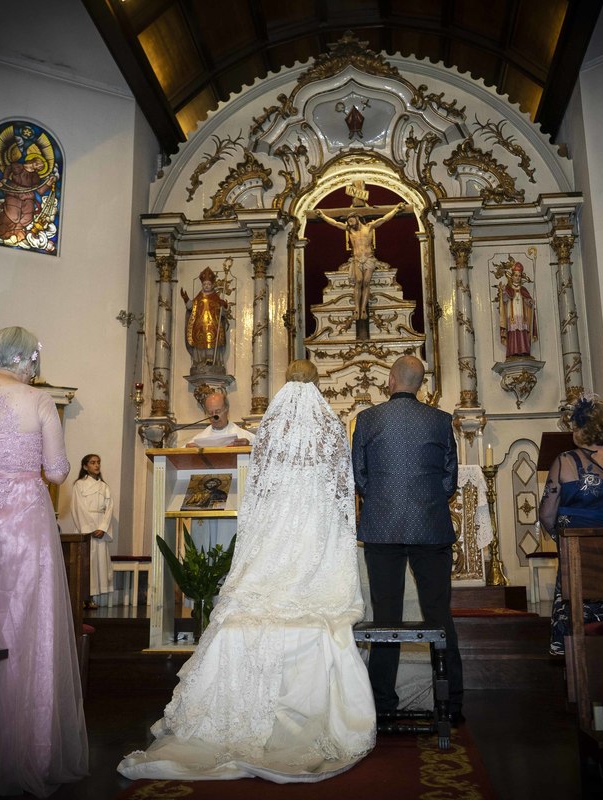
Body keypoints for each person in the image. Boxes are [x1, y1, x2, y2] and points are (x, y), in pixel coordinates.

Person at [119, 359, 376, 782]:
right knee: (308, 578)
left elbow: (259, 491)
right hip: (314, 524)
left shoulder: (272, 430)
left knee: (265, 583)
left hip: (278, 525)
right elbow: (339, 490)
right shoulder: (330, 427)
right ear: (316, 386)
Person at [0, 327, 88, 797]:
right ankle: (26, 752)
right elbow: (58, 471)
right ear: (26, 360)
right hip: (22, 521)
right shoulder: (37, 401)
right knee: (26, 629)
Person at [351, 355, 463, 723]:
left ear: (390, 380)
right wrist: (427, 504)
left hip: (382, 527)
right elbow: (450, 479)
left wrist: (383, 502)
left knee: (386, 616)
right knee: (438, 615)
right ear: (420, 384)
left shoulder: (367, 420)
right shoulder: (441, 420)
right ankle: (452, 703)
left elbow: (360, 477)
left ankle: (383, 701)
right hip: (430, 526)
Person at [540, 394, 603, 656]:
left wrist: (559, 537)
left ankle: (580, 676)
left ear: (582, 429)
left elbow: (548, 514)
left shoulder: (566, 462)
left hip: (580, 559)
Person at [315, 202, 406, 321]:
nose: (350, 224)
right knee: (358, 281)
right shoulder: (350, 230)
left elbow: (384, 219)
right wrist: (322, 216)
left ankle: (363, 308)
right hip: (357, 260)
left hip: (368, 259)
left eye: (352, 221)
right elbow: (335, 224)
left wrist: (395, 210)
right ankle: (356, 308)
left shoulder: (369, 227)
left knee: (366, 281)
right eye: (349, 222)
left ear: (357, 219)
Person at [71, 453, 113, 610]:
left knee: (98, 563)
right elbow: (78, 507)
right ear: (85, 466)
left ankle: (92, 598)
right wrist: (89, 527)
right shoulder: (79, 485)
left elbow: (109, 509)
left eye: (98, 463)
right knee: (85, 562)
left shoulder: (104, 487)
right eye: (93, 462)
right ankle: (82, 597)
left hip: (100, 526)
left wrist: (102, 527)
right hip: (86, 527)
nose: (96, 465)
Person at [181, 265, 230, 371]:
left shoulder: (216, 298)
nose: (206, 286)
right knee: (199, 344)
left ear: (212, 285)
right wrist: (186, 299)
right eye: (204, 284)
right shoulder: (199, 297)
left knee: (212, 344)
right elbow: (191, 307)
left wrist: (224, 306)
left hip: (213, 326)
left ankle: (213, 362)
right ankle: (199, 362)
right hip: (200, 326)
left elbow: (223, 313)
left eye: (208, 284)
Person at [185, 389, 254, 447]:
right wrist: (187, 451)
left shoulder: (243, 436)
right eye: (210, 413)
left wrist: (249, 447)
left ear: (226, 410)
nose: (214, 416)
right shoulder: (199, 439)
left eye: (218, 411)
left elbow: (262, 451)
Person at [498, 261, 537, 358]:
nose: (517, 277)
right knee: (513, 331)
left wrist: (530, 302)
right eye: (516, 275)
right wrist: (503, 293)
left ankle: (524, 350)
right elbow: (505, 301)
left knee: (522, 331)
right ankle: (513, 351)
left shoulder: (523, 290)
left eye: (519, 276)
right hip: (512, 315)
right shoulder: (508, 289)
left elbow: (528, 302)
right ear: (512, 276)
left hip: (522, 315)